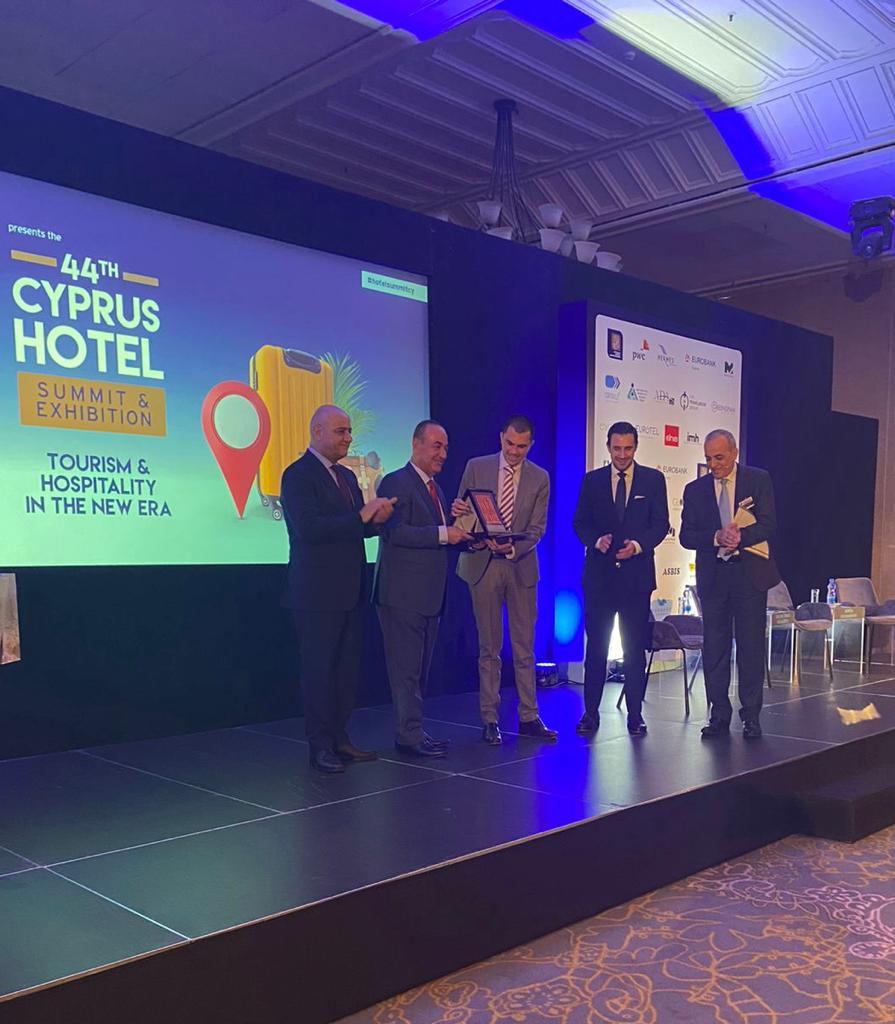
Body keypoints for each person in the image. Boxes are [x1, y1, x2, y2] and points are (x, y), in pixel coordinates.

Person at [281, 405, 396, 773]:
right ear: (317, 432)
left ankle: (340, 738)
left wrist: (376, 521)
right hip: (316, 594)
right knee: (319, 672)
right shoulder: (297, 475)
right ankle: (320, 746)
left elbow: (353, 528)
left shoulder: (346, 477)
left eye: (349, 431)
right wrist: (361, 516)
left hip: (350, 590)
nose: (349, 438)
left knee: (346, 671)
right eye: (340, 431)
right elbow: (309, 529)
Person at [452, 416, 556, 745]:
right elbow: (462, 516)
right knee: (489, 648)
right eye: (510, 443)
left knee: (525, 648)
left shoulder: (540, 477)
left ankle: (529, 716)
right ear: (501, 438)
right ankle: (490, 718)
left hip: (520, 565)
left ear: (530, 445)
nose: (514, 451)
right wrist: (462, 515)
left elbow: (537, 528)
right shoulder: (476, 467)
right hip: (483, 565)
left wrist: (512, 548)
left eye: (521, 446)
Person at [374, 421, 471, 758]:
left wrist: (461, 531)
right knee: (406, 671)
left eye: (446, 448)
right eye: (436, 446)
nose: (442, 454)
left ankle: (413, 730)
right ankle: (408, 735)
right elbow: (396, 532)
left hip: (428, 596)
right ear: (416, 444)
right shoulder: (396, 482)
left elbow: (437, 536)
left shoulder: (436, 490)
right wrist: (445, 533)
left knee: (418, 671)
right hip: (402, 595)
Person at [680, 429, 780, 739]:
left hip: (748, 576)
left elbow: (769, 524)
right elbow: (686, 536)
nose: (713, 465)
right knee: (715, 649)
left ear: (734, 453)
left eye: (719, 457)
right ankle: (718, 715)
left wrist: (740, 537)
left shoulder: (757, 480)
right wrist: (715, 537)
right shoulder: (695, 490)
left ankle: (751, 716)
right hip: (714, 578)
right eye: (708, 458)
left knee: (750, 648)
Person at [573, 421, 669, 736]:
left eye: (628, 448)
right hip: (599, 579)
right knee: (596, 649)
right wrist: (595, 541)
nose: (622, 455)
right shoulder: (592, 481)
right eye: (617, 448)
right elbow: (579, 523)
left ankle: (635, 715)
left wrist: (638, 546)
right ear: (608, 447)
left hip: (636, 579)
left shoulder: (653, 480)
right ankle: (590, 713)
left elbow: (660, 524)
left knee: (634, 649)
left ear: (636, 447)